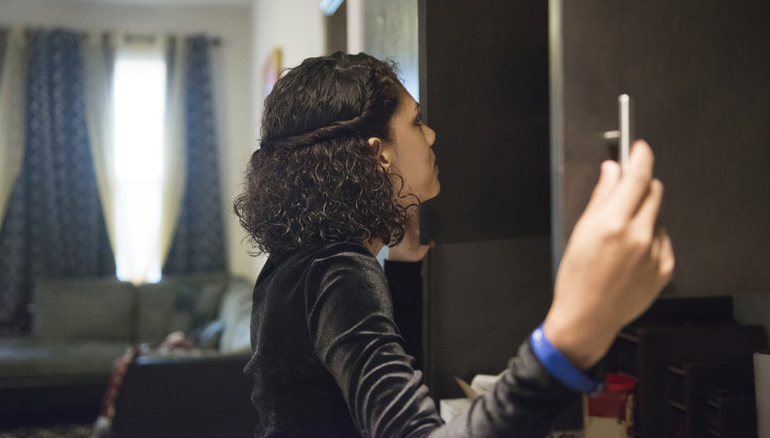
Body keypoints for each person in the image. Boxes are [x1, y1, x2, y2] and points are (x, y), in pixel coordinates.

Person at [233, 51, 674, 437]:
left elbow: (376, 401)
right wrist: (565, 342)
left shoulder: (293, 266)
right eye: (416, 121)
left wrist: (403, 268)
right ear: (377, 155)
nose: (431, 135)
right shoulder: (340, 273)